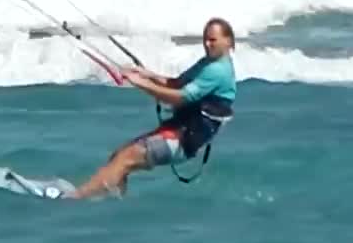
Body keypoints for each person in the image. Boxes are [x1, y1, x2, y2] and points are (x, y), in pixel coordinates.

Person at [65, 17, 237, 199]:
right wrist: (148, 75)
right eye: (205, 39)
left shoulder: (217, 71)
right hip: (178, 129)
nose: (207, 44)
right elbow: (176, 83)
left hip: (184, 140)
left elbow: (180, 98)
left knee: (125, 158)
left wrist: (140, 84)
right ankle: (112, 200)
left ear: (228, 41)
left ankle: (74, 198)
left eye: (213, 40)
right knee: (119, 156)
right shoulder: (207, 63)